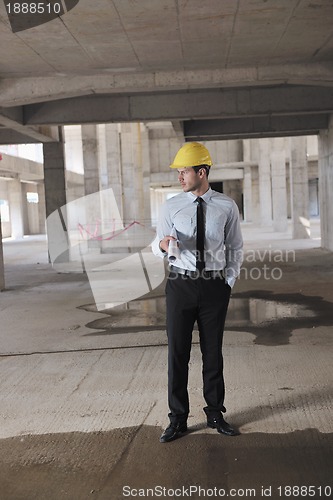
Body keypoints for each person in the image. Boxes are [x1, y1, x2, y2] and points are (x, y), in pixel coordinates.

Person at [152, 142, 243, 443]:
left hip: (214, 286)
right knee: (177, 353)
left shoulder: (226, 206)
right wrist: (164, 246)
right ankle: (178, 419)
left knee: (212, 353)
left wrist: (227, 282)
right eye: (178, 172)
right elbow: (158, 244)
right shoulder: (171, 205)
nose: (179, 177)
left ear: (201, 172)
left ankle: (215, 413)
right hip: (180, 284)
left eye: (184, 172)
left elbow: (235, 248)